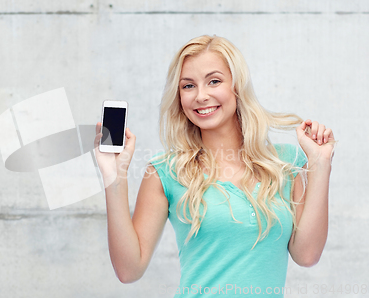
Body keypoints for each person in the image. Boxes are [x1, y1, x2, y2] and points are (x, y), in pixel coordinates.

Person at [93, 34, 336, 297]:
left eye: (214, 81)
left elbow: (307, 254)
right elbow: (129, 270)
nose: (200, 96)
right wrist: (114, 177)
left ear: (237, 86)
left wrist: (320, 164)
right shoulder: (165, 171)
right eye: (188, 86)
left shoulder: (283, 163)